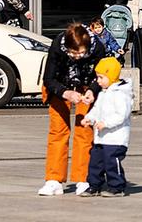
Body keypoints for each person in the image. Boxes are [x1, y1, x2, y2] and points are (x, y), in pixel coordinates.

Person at [39, 23, 97, 196]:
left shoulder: (97, 47)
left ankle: (83, 179)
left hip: (86, 86)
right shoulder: (58, 45)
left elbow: (102, 74)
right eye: (73, 53)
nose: (77, 57)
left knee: (84, 130)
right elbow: (48, 78)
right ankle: (53, 179)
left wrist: (93, 91)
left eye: (81, 53)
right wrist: (65, 92)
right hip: (60, 86)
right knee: (58, 131)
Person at [83, 57, 134, 197]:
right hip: (101, 138)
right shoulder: (103, 93)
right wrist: (89, 118)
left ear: (111, 77)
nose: (98, 81)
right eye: (97, 77)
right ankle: (94, 185)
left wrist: (106, 123)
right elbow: (97, 110)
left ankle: (117, 186)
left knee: (112, 162)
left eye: (101, 77)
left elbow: (122, 115)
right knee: (95, 162)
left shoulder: (121, 94)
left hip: (115, 139)